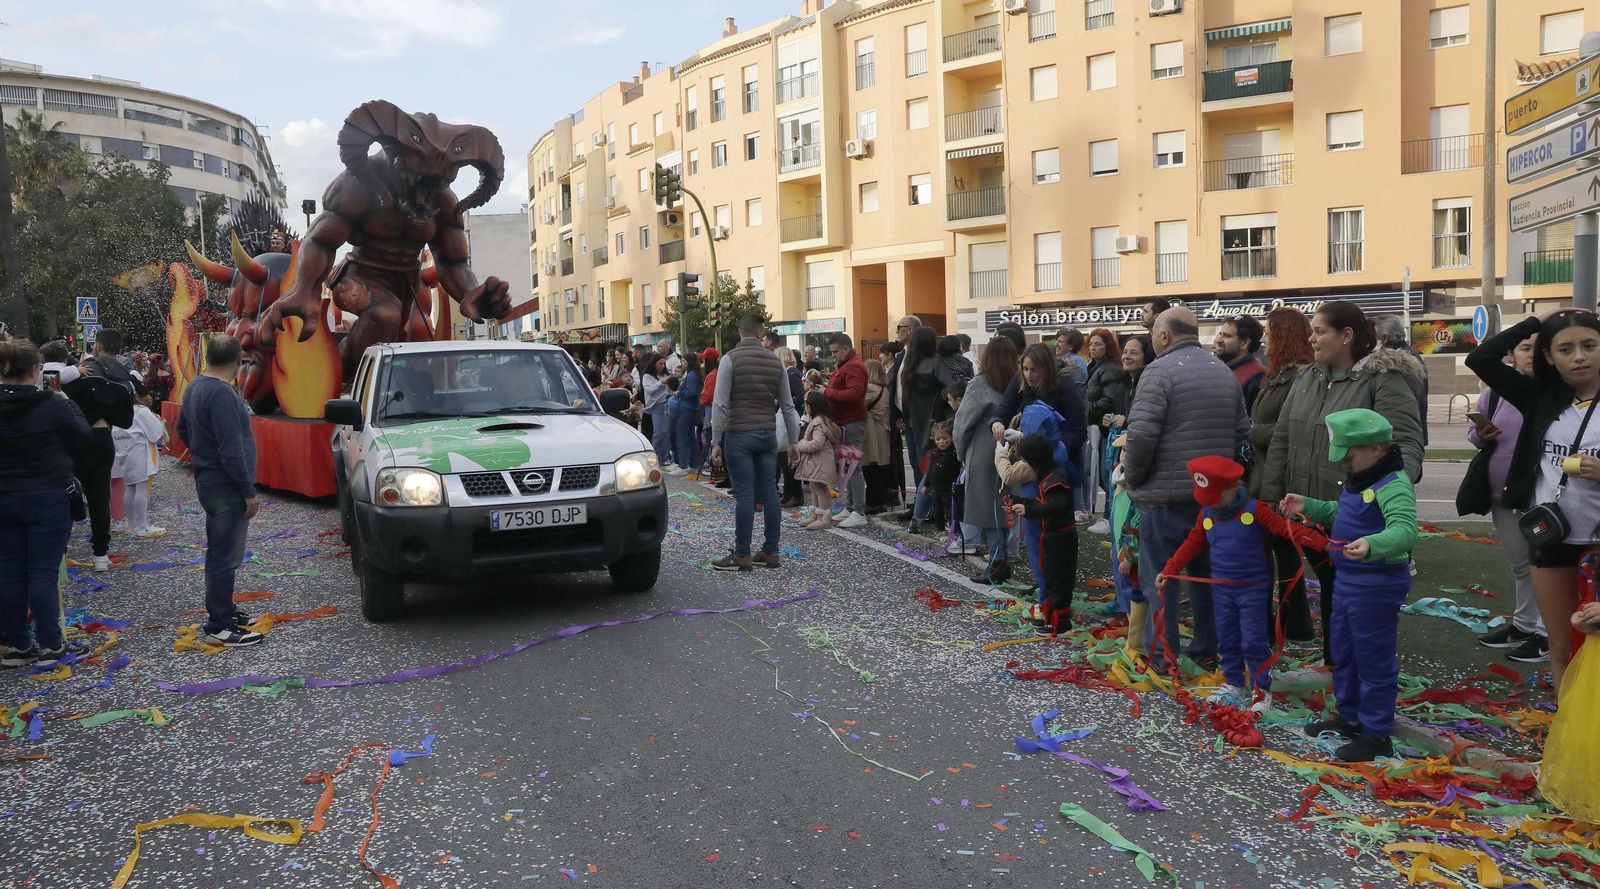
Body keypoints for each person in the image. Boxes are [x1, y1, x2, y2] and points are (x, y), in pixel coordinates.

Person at [1262, 300, 1425, 665]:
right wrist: (1273, 495)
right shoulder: (1308, 377)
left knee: (1346, 597)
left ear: (1346, 335)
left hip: (1353, 518)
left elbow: (1408, 444)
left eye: (1319, 331)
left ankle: (1345, 670)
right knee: (1331, 593)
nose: (1311, 338)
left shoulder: (1383, 380)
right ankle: (1336, 666)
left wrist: (1379, 493)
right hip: (1311, 512)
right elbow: (1283, 440)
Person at [1465, 309, 1600, 692]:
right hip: (1551, 538)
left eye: (1589, 345)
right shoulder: (1540, 395)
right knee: (1562, 647)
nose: (1579, 357)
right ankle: (1568, 730)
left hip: (1597, 542)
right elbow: (1481, 359)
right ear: (1548, 356)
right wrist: (1536, 323)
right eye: (1566, 348)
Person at [1282, 408, 1418, 762]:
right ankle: (1350, 714)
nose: (1345, 463)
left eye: (1350, 455)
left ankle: (1375, 734)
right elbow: (1343, 512)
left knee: (1372, 658)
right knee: (1343, 651)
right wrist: (1309, 506)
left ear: (1375, 448)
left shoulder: (1393, 483)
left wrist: (1374, 544)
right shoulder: (1363, 479)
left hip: (1376, 583)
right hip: (1347, 581)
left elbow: (1404, 530)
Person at [1124, 307, 1251, 669]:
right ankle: (1208, 650)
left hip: (1166, 497)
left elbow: (1142, 435)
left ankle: (1163, 656)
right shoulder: (1223, 372)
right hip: (1213, 497)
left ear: (1164, 335)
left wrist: (1133, 477)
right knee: (1206, 578)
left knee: (1162, 579)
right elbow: (1243, 430)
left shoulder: (1159, 372)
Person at [1160, 456, 1328, 712]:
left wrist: (1323, 544)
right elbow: (1192, 544)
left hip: (1252, 589)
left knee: (1252, 640)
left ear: (1232, 486)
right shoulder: (1207, 515)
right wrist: (1169, 570)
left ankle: (1262, 687)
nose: (1212, 503)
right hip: (1221, 590)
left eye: (1215, 496)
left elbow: (1285, 529)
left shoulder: (1255, 509)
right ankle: (1234, 683)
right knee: (1227, 638)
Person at [0, 338, 90, 667]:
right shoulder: (52, 404)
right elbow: (82, 437)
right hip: (46, 495)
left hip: (3, 497)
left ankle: (17, 645)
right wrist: (67, 401)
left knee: (8, 572)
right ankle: (51, 644)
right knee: (42, 572)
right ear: (36, 370)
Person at [1462, 332, 1546, 663]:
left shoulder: (1550, 393)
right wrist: (1480, 434)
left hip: (1539, 496)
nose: (1531, 355)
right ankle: (1525, 626)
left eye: (1539, 349)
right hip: (1501, 496)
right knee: (1521, 565)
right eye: (1525, 348)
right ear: (1511, 355)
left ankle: (1547, 633)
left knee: (1544, 564)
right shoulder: (1495, 393)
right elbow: (1473, 435)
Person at [175, 335, 264, 647]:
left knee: (219, 551)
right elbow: (231, 449)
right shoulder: (223, 395)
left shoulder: (196, 386)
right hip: (226, 486)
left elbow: (182, 429)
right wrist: (247, 491)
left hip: (209, 480)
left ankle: (224, 609)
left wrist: (202, 455)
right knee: (225, 555)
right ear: (238, 361)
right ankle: (219, 625)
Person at [1248, 307, 1319, 643]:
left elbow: (1293, 427)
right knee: (1280, 553)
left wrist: (1253, 432)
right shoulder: (1277, 374)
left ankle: (1282, 624)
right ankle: (1292, 624)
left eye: (1268, 331)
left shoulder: (1299, 376)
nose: (1264, 338)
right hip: (1266, 473)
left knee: (1275, 554)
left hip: (1278, 478)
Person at [711, 315, 802, 572]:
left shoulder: (729, 359)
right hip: (767, 435)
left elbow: (720, 403)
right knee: (770, 492)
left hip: (739, 434)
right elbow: (787, 405)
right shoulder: (776, 362)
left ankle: (742, 554)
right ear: (761, 333)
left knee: (745, 495)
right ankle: (771, 551)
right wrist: (793, 440)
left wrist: (716, 440)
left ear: (740, 331)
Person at [61, 340, 135, 572]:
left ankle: (60, 551)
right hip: (103, 438)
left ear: (98, 346)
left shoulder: (81, 373)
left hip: (74, 439)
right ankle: (100, 554)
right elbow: (126, 419)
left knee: (65, 493)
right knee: (99, 496)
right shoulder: (121, 378)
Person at [955, 335, 1020, 583]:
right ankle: (1005, 557)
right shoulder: (1019, 383)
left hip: (983, 453)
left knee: (989, 511)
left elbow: (962, 424)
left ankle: (995, 562)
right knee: (1007, 508)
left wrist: (962, 454)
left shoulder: (979, 385)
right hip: (1013, 453)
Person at [1009, 433, 1079, 633]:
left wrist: (1029, 510)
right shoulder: (1047, 475)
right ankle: (1049, 616)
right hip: (1051, 536)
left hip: (1061, 538)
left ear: (1035, 460)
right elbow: (1042, 503)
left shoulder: (1056, 477)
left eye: (1026, 461)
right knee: (1050, 577)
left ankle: (1060, 622)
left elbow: (1056, 505)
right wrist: (1020, 501)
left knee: (1058, 581)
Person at [1082, 328, 1128, 533]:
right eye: (1091, 343)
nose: (1093, 347)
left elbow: (1110, 399)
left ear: (1107, 346)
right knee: (1103, 472)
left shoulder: (1109, 369)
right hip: (1102, 426)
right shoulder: (1097, 367)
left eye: (1098, 343)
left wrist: (1090, 410)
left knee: (1107, 472)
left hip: (1109, 428)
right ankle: (1110, 516)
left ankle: (1111, 517)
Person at [823, 333, 869, 528]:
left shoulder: (854, 366)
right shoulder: (847, 366)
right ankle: (850, 507)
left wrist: (827, 392)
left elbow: (855, 393)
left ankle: (859, 511)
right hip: (844, 421)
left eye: (835, 351)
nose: (833, 355)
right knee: (846, 466)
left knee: (852, 467)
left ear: (845, 348)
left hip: (851, 421)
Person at [901, 326, 952, 489]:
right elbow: (950, 388)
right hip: (930, 419)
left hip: (912, 419)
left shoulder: (909, 364)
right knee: (928, 464)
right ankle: (927, 506)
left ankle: (919, 504)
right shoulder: (937, 363)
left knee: (917, 463)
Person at [113, 393, 168, 537]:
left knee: (130, 487)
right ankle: (142, 526)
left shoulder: (116, 410)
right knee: (141, 487)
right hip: (139, 451)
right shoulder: (140, 410)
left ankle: (132, 523)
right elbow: (155, 432)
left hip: (123, 451)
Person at [1376, 315, 1431, 446]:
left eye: (1377, 337)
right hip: (1410, 433)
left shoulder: (1402, 360)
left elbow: (1414, 400)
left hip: (1404, 436)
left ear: (1385, 338)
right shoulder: (1408, 354)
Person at [792, 391, 843, 531]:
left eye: (806, 405)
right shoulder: (822, 420)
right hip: (817, 462)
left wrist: (800, 444)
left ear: (812, 406)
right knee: (814, 486)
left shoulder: (818, 423)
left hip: (820, 461)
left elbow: (817, 444)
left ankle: (824, 518)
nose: (805, 407)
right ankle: (815, 514)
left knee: (820, 488)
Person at [887, 315, 921, 516]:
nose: (897, 331)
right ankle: (920, 503)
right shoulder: (901, 355)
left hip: (920, 418)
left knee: (923, 463)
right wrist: (897, 413)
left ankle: (927, 505)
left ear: (909, 330)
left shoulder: (922, 355)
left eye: (899, 327)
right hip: (905, 418)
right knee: (915, 462)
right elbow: (896, 387)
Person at [911, 420, 960, 535]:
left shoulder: (954, 453)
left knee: (950, 511)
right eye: (938, 439)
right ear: (934, 439)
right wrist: (926, 485)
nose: (942, 442)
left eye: (945, 438)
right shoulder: (934, 453)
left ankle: (954, 531)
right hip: (935, 489)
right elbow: (930, 471)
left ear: (951, 437)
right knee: (938, 511)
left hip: (949, 489)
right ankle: (940, 530)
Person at [1215, 315, 1266, 415]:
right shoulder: (1220, 371)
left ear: (1244, 343)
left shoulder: (1258, 377)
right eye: (1220, 334)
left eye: (1226, 336)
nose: (1218, 340)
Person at [862, 358, 895, 514]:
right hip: (884, 431)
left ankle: (872, 502)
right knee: (881, 469)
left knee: (870, 468)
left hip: (871, 433)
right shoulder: (885, 389)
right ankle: (882, 501)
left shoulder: (869, 389)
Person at [669, 353, 704, 477]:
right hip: (691, 408)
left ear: (689, 362)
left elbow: (692, 392)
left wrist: (679, 394)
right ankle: (693, 464)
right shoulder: (694, 374)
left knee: (682, 436)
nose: (682, 363)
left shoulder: (691, 375)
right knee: (690, 437)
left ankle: (683, 465)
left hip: (687, 407)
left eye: (683, 361)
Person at [642, 355, 673, 467]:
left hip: (667, 404)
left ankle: (665, 457)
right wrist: (661, 382)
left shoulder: (666, 374)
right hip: (656, 406)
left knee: (666, 432)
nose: (662, 366)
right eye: (660, 363)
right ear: (654, 363)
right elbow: (649, 390)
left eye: (663, 363)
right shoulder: (647, 376)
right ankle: (654, 456)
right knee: (658, 432)